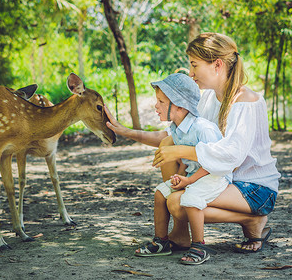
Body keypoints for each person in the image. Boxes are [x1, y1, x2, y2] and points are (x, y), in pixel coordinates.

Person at [104, 32, 280, 262]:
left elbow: (231, 155)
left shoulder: (246, 101)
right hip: (221, 178)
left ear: (217, 65)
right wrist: (126, 132)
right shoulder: (208, 98)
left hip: (254, 188)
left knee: (177, 204)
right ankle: (179, 235)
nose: (191, 73)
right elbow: (173, 136)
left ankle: (251, 220)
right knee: (170, 151)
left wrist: (181, 151)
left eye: (195, 65)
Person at [133, 73, 231, 265]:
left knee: (190, 198)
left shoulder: (204, 129)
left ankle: (199, 246)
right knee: (161, 193)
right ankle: (161, 242)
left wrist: (190, 181)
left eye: (161, 101)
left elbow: (215, 163)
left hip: (214, 176)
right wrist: (181, 175)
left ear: (179, 106)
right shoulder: (177, 128)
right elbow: (187, 158)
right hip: (195, 174)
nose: (156, 106)